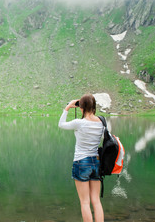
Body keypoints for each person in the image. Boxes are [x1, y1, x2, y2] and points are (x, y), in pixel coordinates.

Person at [58, 94, 104, 222]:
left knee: (85, 202)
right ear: (94, 106)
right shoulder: (101, 122)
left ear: (81, 107)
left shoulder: (80, 123)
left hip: (81, 162)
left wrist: (67, 107)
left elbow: (61, 124)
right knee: (96, 201)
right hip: (96, 162)